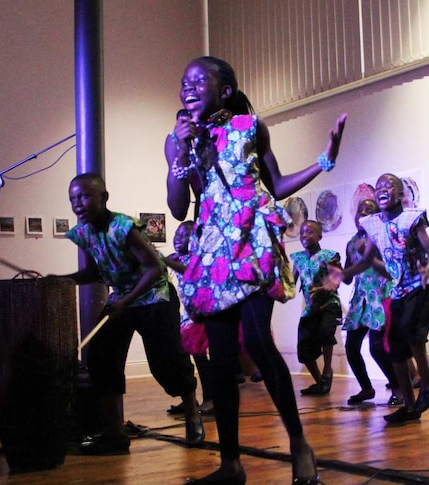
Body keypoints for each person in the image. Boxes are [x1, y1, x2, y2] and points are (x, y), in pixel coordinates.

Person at [166, 55, 345, 484]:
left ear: (224, 91)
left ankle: (299, 443)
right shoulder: (178, 139)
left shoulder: (251, 127)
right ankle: (231, 464)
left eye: (198, 81)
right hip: (213, 252)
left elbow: (276, 184)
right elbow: (176, 206)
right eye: (183, 82)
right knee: (224, 357)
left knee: (261, 342)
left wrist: (325, 161)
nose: (188, 88)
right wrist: (180, 150)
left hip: (251, 242)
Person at [57, 173, 203, 455]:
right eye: (73, 198)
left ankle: (193, 414)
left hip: (154, 295)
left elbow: (155, 268)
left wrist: (126, 300)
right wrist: (63, 279)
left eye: (85, 196)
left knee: (167, 361)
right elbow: (93, 272)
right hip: (123, 298)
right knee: (101, 358)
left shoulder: (124, 227)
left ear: (104, 198)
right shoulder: (84, 233)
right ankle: (114, 433)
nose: (78, 203)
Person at [324, 173, 429, 424]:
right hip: (399, 287)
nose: (383, 189)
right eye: (378, 187)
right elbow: (367, 261)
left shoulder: (413, 217)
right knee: (396, 349)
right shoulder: (372, 224)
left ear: (400, 194)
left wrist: (428, 268)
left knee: (411, 330)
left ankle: (428, 379)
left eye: (389, 186)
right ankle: (409, 407)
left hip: (422, 284)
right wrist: (342, 274)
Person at [340, 199, 401, 406]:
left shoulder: (384, 237)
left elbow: (393, 270)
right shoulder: (351, 243)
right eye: (360, 210)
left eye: (369, 211)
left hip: (381, 295)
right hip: (360, 299)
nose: (363, 214)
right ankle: (366, 388)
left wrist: (370, 252)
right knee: (351, 346)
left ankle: (398, 388)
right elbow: (348, 278)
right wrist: (337, 270)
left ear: (376, 217)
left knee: (377, 347)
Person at [163, 220, 215, 416]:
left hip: (201, 315)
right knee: (182, 359)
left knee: (201, 358)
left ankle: (211, 398)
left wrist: (165, 261)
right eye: (177, 234)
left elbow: (190, 272)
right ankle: (190, 400)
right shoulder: (175, 257)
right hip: (184, 315)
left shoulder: (200, 259)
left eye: (185, 235)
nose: (178, 238)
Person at [291, 220, 342, 397]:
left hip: (329, 304)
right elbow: (291, 283)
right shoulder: (297, 258)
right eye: (302, 232)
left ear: (320, 236)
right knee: (303, 346)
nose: (305, 236)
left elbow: (337, 281)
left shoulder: (329, 256)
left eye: (310, 232)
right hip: (310, 308)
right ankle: (319, 381)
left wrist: (321, 289)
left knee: (325, 333)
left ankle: (328, 370)